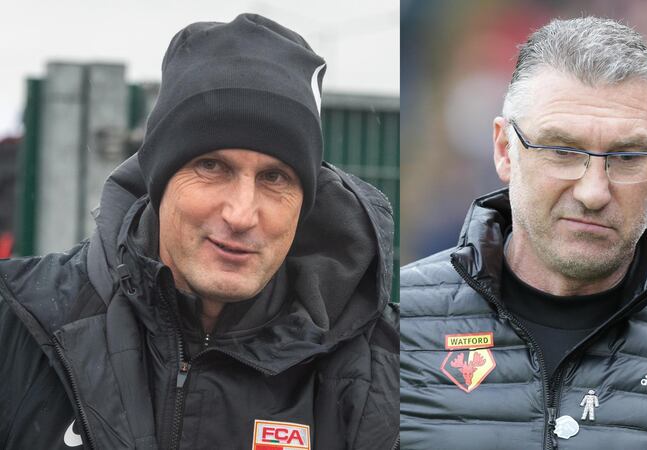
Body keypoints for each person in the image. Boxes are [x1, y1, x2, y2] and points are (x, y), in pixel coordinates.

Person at [0, 14, 398, 450]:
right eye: (211, 167)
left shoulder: (390, 367)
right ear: (159, 179)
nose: (242, 213)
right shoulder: (19, 321)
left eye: (275, 178)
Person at [399, 17, 647, 450]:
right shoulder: (395, 325)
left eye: (627, 157)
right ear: (504, 150)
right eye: (562, 151)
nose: (593, 191)